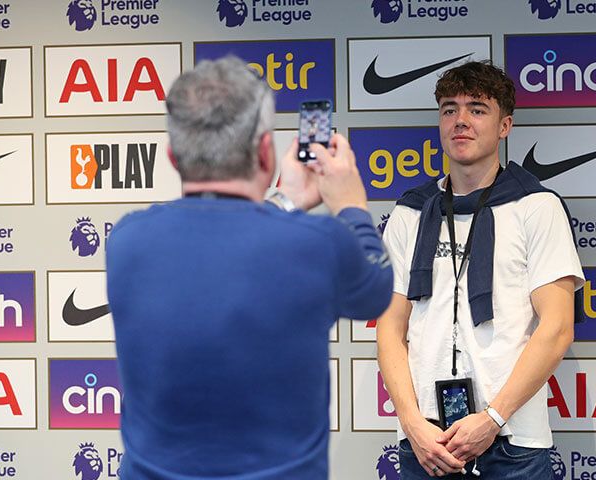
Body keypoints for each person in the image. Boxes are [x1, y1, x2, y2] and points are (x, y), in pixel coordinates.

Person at [106, 56, 393, 479]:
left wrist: (286, 200)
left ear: (172, 156)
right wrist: (351, 204)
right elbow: (375, 289)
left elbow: (226, 246)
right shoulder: (316, 244)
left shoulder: (128, 240)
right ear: (264, 152)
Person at [376, 60, 584, 479]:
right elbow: (388, 328)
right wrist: (412, 423)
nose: (461, 121)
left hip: (513, 445)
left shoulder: (536, 207)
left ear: (505, 125)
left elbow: (558, 327)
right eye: (449, 109)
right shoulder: (410, 212)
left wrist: (492, 418)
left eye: (477, 109)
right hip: (427, 443)